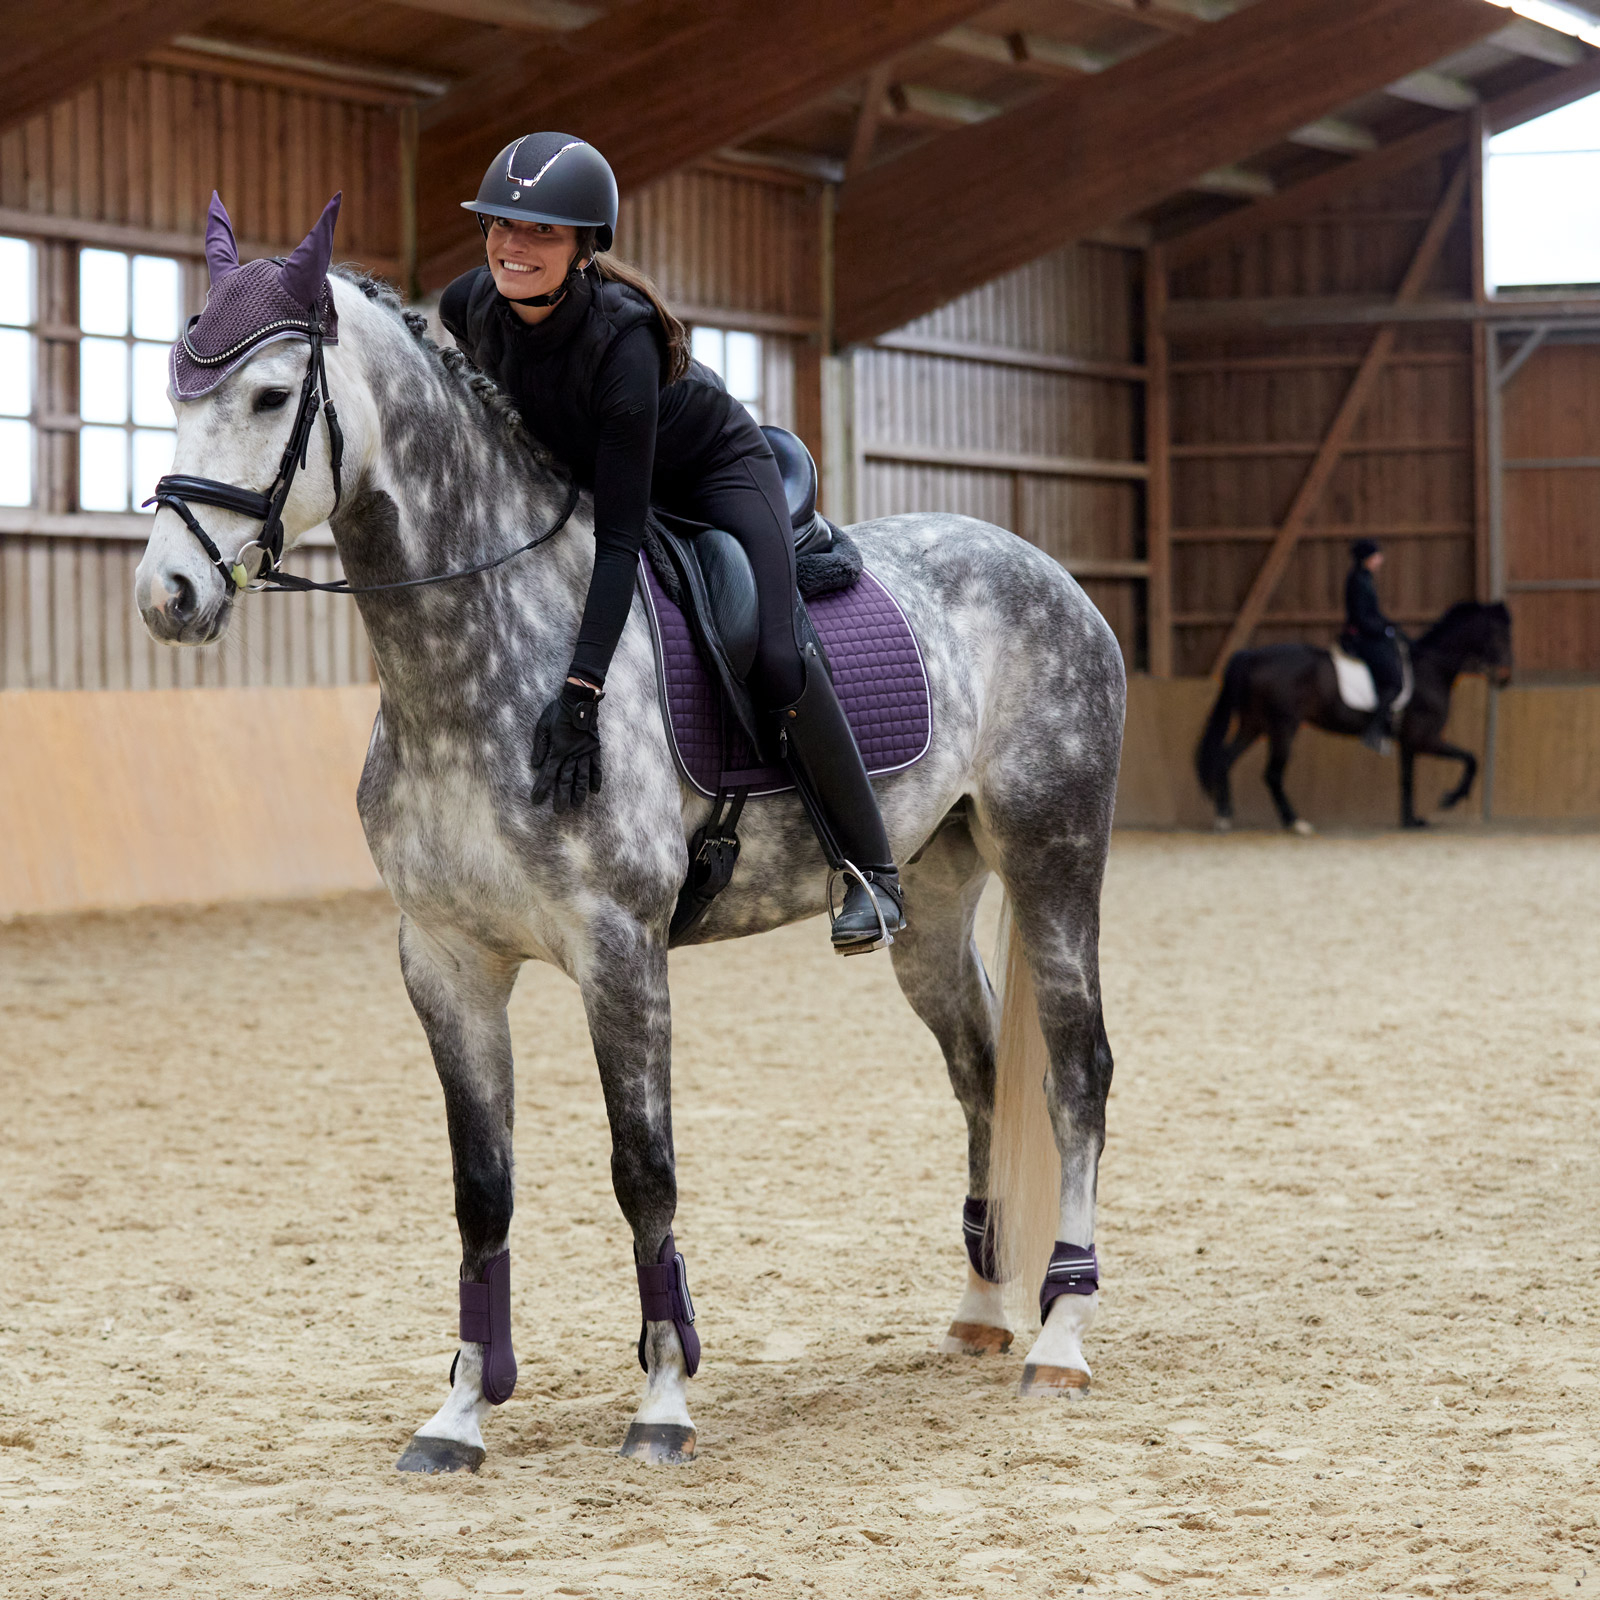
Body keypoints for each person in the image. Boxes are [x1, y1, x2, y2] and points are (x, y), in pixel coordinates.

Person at [439, 133, 904, 954]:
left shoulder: (623, 343)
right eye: (501, 224)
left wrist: (581, 691)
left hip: (712, 473)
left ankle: (872, 873)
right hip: (606, 472)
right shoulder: (465, 307)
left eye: (541, 232)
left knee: (770, 650)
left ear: (586, 247)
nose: (514, 246)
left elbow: (619, 543)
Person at [1341, 538, 1403, 751]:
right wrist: (1383, 630)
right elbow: (1361, 617)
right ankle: (1374, 731)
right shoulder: (1358, 581)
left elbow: (1373, 613)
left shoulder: (1364, 579)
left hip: (1370, 633)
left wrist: (1390, 625)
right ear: (1367, 559)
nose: (1380, 560)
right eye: (1376, 556)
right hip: (1362, 638)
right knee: (1394, 681)